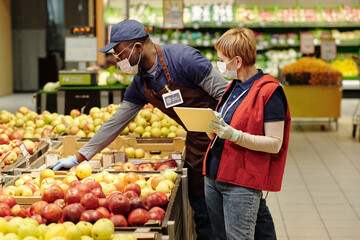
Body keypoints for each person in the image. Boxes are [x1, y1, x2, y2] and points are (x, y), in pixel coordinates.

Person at [53, 20, 279, 239]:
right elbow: (116, 122)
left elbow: (227, 96)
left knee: (251, 208)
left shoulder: (184, 60)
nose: (117, 60)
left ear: (138, 48)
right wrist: (79, 157)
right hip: (199, 148)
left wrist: (234, 135)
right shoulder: (141, 83)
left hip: (228, 141)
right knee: (204, 214)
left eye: (119, 54)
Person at [203, 28, 291, 240]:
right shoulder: (234, 86)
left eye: (221, 60)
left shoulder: (270, 92)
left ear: (238, 61)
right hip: (214, 175)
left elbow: (274, 143)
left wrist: (235, 135)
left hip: (241, 182)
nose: (219, 65)